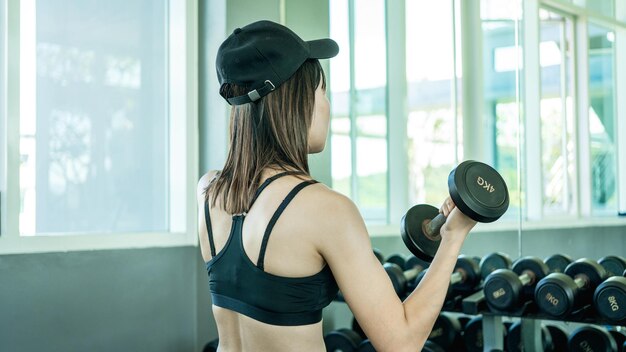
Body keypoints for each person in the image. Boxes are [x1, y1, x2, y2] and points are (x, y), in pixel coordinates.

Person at [197, 20, 477, 352]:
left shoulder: (208, 190)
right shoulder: (324, 208)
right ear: (297, 102)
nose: (328, 107)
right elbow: (402, 342)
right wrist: (453, 235)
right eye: (322, 92)